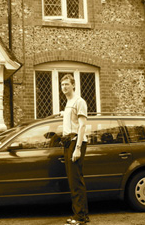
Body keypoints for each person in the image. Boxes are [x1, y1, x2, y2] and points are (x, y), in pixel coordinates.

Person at [60, 74, 89, 225]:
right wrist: (63, 114)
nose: (64, 87)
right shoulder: (69, 102)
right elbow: (71, 120)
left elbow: (82, 125)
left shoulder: (79, 101)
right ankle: (78, 214)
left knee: (76, 181)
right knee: (73, 181)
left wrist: (77, 149)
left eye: (67, 84)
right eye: (62, 84)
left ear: (73, 85)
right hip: (68, 142)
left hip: (75, 142)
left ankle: (81, 217)